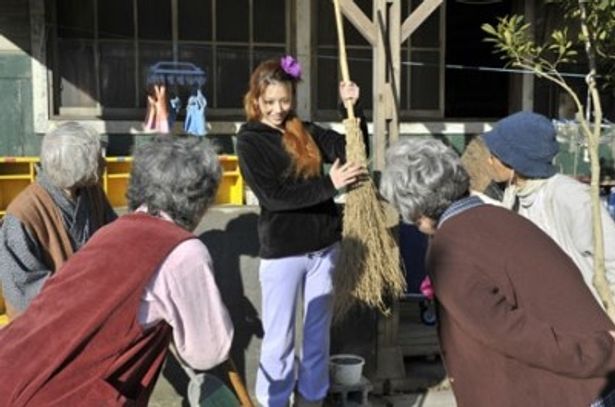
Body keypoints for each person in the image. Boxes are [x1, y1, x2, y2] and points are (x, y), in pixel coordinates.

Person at [380, 137, 615, 407]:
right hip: (591, 379)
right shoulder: (501, 216)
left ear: (415, 210)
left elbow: (511, 333)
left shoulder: (450, 249)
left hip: (573, 387)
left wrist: (600, 351)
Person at [0, 136, 234, 406]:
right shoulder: (184, 252)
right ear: (200, 198)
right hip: (59, 394)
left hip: (14, 368)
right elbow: (208, 352)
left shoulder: (111, 232)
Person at [236, 56, 368, 407]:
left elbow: (353, 149)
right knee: (279, 338)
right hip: (283, 252)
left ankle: (313, 397)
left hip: (324, 248)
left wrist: (351, 109)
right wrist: (330, 184)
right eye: (270, 102)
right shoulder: (249, 141)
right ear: (256, 100)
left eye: (284, 100)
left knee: (316, 335)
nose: (278, 109)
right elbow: (274, 197)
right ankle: (273, 401)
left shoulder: (304, 130)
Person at [483, 111, 615, 304]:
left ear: (515, 162)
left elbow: (611, 259)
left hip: (581, 315)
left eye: (494, 155)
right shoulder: (512, 194)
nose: (488, 161)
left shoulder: (570, 197)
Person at [0, 122, 117, 320]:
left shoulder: (91, 192)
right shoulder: (22, 215)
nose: (104, 163)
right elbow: (24, 291)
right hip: (48, 325)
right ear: (75, 165)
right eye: (98, 158)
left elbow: (113, 238)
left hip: (93, 310)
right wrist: (83, 293)